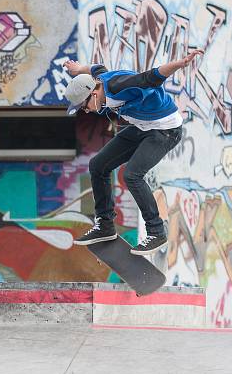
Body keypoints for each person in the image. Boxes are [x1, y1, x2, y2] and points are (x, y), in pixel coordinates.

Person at [63, 49, 204, 254]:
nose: (86, 111)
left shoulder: (121, 85)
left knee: (132, 175)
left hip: (165, 130)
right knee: (98, 166)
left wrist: (180, 63)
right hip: (142, 127)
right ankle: (105, 224)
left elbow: (152, 76)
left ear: (93, 94)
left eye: (84, 107)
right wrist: (78, 69)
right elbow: (95, 68)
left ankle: (156, 232)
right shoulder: (97, 80)